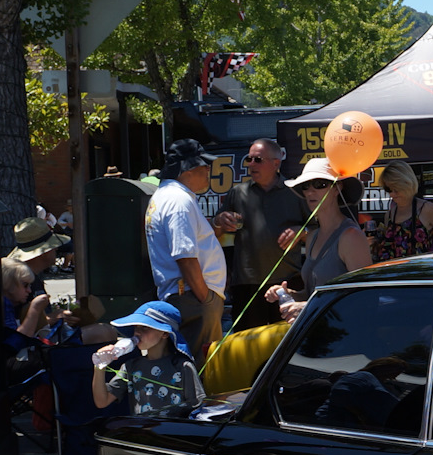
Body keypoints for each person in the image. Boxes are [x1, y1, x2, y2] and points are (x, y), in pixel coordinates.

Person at [146, 138, 239, 359]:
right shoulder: (179, 200)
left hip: (187, 296)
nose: (208, 170)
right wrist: (206, 299)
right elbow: (185, 256)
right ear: (188, 168)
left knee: (191, 366)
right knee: (201, 368)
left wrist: (216, 226)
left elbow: (191, 244)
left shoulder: (167, 196)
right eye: (204, 165)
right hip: (193, 299)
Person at [219, 137, 307, 328]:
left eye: (258, 159)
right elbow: (216, 227)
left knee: (287, 339)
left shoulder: (295, 192)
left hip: (287, 283)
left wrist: (302, 231)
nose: (251, 164)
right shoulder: (238, 193)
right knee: (247, 341)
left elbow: (317, 228)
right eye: (249, 159)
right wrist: (220, 221)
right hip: (246, 285)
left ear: (276, 163)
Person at [265, 158, 371, 316]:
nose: (310, 192)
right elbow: (312, 295)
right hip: (321, 328)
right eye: (305, 186)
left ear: (337, 188)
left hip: (345, 328)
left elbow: (365, 297)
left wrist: (307, 307)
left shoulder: (351, 236)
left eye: (320, 184)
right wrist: (288, 294)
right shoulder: (312, 237)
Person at [91, 301, 202, 417]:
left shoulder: (183, 367)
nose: (137, 332)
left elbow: (197, 407)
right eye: (136, 327)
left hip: (172, 429)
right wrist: (99, 367)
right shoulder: (131, 366)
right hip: (142, 428)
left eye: (144, 327)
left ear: (165, 333)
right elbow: (102, 401)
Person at [372, 160, 433, 262]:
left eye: (396, 189)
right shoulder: (390, 214)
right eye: (388, 189)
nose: (392, 194)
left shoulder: (426, 209)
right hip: (395, 270)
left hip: (422, 270)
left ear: (407, 184)